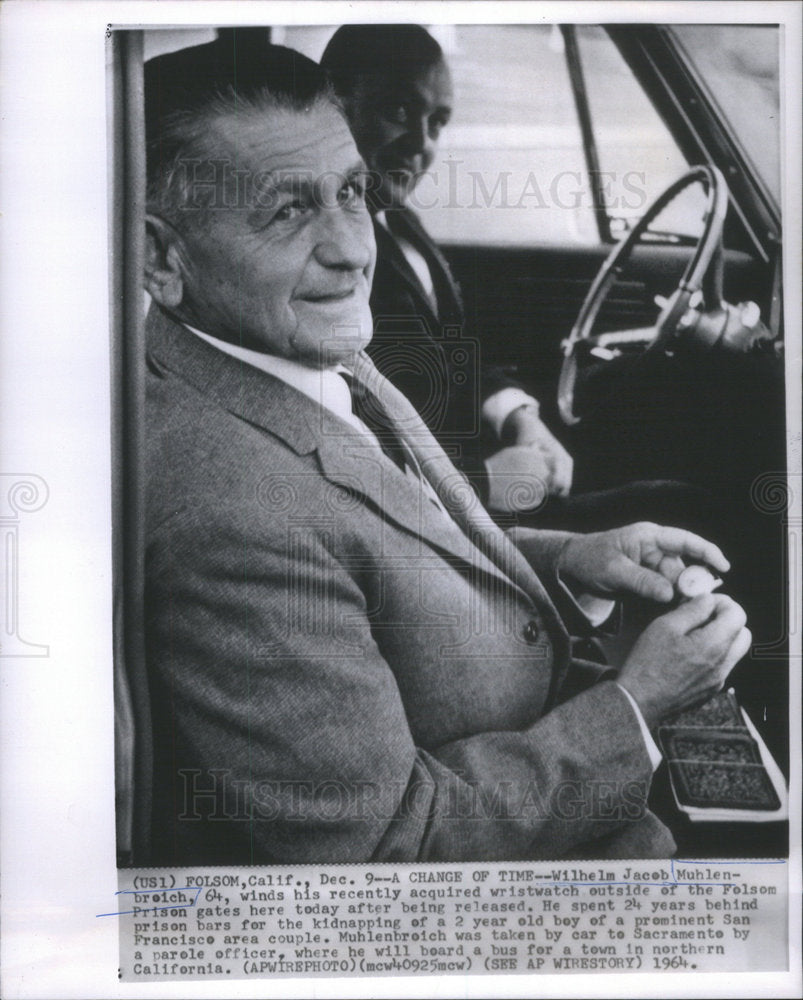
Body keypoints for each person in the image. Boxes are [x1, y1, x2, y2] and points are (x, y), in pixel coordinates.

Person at [141, 40, 749, 865]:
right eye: (286, 212)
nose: (353, 249)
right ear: (161, 258)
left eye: (349, 192)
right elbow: (386, 844)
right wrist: (638, 707)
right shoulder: (230, 516)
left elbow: (391, 553)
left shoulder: (293, 345)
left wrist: (569, 562)